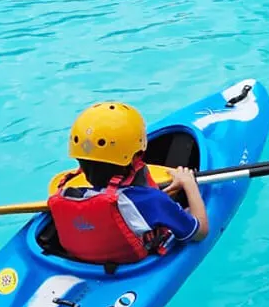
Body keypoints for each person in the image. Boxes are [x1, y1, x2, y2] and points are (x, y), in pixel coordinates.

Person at [47, 101, 208, 265]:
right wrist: (189, 183)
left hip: (82, 264)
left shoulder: (67, 193)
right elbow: (200, 232)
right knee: (186, 210)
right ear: (137, 157)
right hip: (134, 265)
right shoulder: (152, 200)